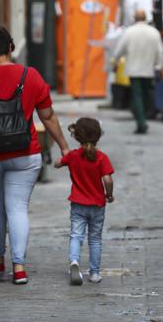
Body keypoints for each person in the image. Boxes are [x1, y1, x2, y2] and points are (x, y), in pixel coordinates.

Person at [0, 25, 70, 284]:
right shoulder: (30, 76)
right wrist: (64, 147)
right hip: (25, 153)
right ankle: (19, 267)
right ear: (11, 47)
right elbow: (48, 116)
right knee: (18, 208)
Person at [54, 118, 114, 285]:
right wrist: (109, 195)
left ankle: (74, 262)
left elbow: (57, 164)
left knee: (76, 235)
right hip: (97, 205)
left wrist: (61, 159)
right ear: (98, 136)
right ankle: (94, 273)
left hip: (78, 204)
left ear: (76, 136)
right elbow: (107, 179)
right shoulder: (102, 157)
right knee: (95, 239)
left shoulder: (73, 156)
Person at [113, 9, 163, 134]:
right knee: (145, 95)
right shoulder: (154, 32)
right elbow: (160, 52)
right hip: (148, 70)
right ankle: (142, 120)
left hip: (134, 70)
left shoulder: (129, 32)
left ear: (134, 18)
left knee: (137, 97)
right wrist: (161, 67)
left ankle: (141, 122)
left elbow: (119, 49)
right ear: (146, 18)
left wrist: (115, 62)